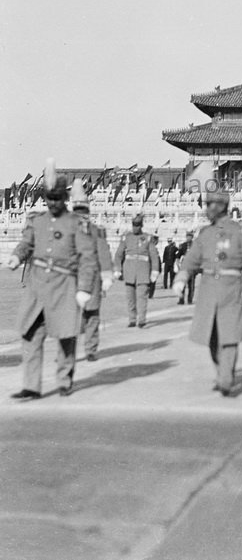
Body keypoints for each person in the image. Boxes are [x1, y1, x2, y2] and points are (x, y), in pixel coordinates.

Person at [7, 159, 96, 399]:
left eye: (57, 198)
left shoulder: (77, 224)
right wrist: (17, 256)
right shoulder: (37, 221)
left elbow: (87, 258)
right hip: (37, 286)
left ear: (64, 198)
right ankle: (31, 386)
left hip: (64, 285)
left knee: (66, 334)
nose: (53, 203)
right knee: (30, 333)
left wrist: (84, 288)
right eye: (49, 198)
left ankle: (65, 379)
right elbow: (27, 243)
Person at [172, 191, 242, 396]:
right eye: (208, 204)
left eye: (212, 205)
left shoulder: (240, 232)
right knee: (212, 337)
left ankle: (225, 379)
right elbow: (192, 259)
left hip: (232, 290)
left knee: (229, 335)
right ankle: (222, 369)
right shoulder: (205, 233)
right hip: (208, 290)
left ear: (221, 207)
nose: (208, 209)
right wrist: (182, 277)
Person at [70, 179, 113, 361]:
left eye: (83, 212)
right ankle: (67, 352)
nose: (81, 216)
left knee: (92, 315)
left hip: (93, 277)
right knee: (69, 317)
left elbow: (103, 254)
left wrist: (107, 276)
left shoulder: (97, 231)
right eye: (78, 212)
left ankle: (90, 349)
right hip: (70, 278)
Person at [114, 214, 160, 328]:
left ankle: (142, 320)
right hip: (129, 271)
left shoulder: (148, 238)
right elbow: (118, 255)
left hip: (143, 272)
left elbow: (154, 256)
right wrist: (118, 269)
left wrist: (155, 271)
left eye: (138, 225)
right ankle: (132, 319)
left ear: (142, 226)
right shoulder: (126, 238)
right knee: (130, 298)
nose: (136, 228)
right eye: (134, 225)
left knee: (142, 297)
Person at [176, 230, 197, 304]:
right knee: (182, 285)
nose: (188, 238)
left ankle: (190, 299)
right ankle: (181, 300)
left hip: (192, 267)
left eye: (190, 236)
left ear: (192, 237)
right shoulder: (183, 245)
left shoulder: (195, 245)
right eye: (187, 236)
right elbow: (178, 256)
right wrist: (177, 264)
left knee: (191, 285)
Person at [148, 234, 161, 298]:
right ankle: (150, 294)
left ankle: (149, 294)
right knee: (152, 282)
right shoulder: (152, 248)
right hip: (151, 267)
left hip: (149, 267)